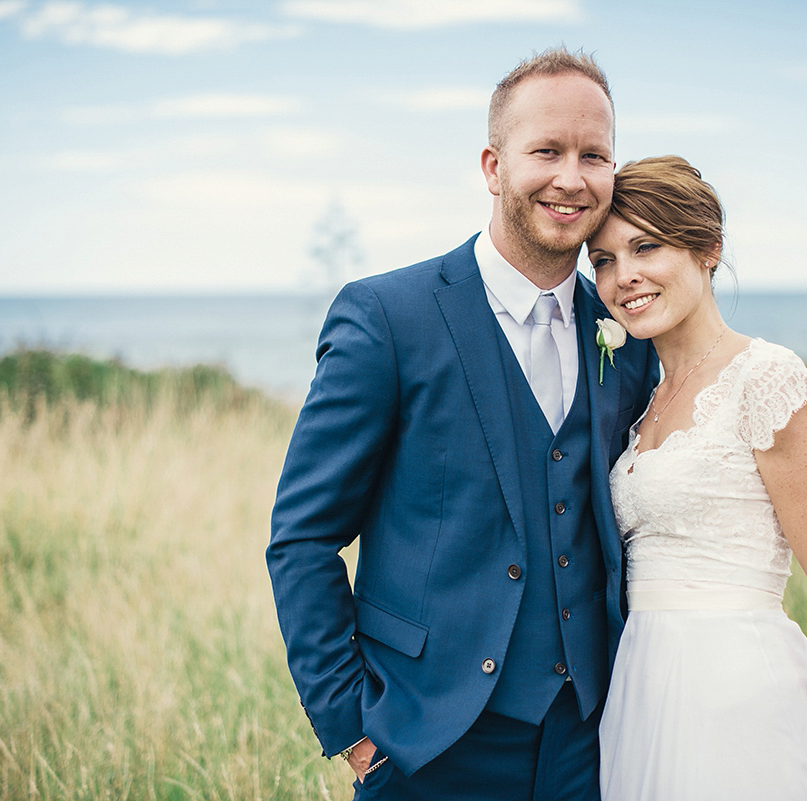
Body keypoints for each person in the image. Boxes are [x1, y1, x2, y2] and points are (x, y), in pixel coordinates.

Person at [267, 48, 659, 800]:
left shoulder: (625, 330)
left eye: (594, 155)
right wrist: (350, 724)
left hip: (588, 741)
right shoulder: (388, 316)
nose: (571, 177)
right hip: (427, 744)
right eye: (546, 150)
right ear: (493, 165)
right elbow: (303, 535)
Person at [588, 156, 807, 801]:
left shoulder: (766, 378)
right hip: (641, 691)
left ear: (708, 249)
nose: (622, 276)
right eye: (602, 260)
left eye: (644, 247)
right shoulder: (644, 399)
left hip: (737, 691)